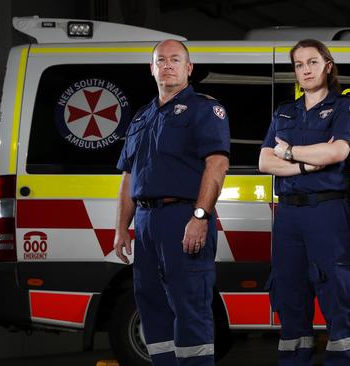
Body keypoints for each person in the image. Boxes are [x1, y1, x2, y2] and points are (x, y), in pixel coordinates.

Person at [113, 39, 230, 366]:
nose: (167, 65)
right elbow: (128, 177)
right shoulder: (141, 117)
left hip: (183, 217)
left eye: (175, 59)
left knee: (190, 305)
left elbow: (217, 165)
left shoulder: (204, 109)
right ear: (152, 69)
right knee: (151, 306)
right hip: (147, 223)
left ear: (188, 68)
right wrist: (122, 228)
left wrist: (200, 216)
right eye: (160, 60)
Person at [258, 39, 350, 366]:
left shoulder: (344, 106)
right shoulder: (284, 111)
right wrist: (306, 163)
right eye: (299, 64)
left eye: (312, 62)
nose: (305, 69)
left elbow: (337, 152)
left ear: (327, 65)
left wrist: (287, 152)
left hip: (326, 212)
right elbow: (263, 162)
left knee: (336, 294)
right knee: (289, 296)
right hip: (288, 215)